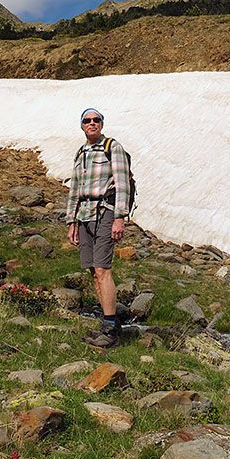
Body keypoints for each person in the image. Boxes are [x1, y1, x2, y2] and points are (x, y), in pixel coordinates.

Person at [65, 107, 131, 348]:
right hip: (84, 215)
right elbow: (74, 189)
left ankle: (111, 329)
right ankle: (107, 323)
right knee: (93, 271)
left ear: (102, 124)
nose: (92, 123)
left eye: (96, 120)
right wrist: (70, 220)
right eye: (87, 120)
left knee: (103, 269)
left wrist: (120, 217)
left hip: (105, 211)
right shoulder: (81, 152)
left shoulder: (112, 147)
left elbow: (123, 184)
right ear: (82, 125)